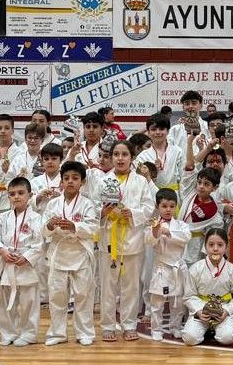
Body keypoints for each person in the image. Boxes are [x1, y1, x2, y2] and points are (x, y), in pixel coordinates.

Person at [91, 142, 153, 342]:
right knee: (107, 287)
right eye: (116, 154)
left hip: (133, 240)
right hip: (109, 240)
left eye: (124, 154)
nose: (120, 158)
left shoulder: (141, 182)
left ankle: (129, 325)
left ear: (131, 158)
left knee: (131, 287)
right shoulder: (102, 181)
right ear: (111, 157)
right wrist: (102, 212)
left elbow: (149, 206)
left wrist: (132, 213)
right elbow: (91, 208)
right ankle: (108, 325)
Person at [44, 161, 100, 346]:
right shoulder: (53, 204)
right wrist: (50, 226)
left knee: (83, 295)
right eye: (66, 178)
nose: (70, 182)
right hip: (58, 253)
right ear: (61, 181)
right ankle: (57, 334)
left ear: (82, 182)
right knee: (57, 295)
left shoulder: (88, 204)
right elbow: (42, 229)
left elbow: (93, 228)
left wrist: (75, 226)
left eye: (75, 178)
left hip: (80, 253)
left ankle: (85, 333)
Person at [0, 177, 45, 347]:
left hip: (26, 262)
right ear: (8, 197)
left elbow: (40, 242)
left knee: (29, 300)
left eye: (21, 193)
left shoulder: (37, 218)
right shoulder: (2, 218)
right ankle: (7, 332)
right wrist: (2, 250)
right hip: (7, 261)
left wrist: (27, 257)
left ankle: (29, 333)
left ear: (29, 194)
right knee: (5, 301)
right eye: (12, 194)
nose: (16, 197)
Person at [180, 228, 233, 346]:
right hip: (201, 311)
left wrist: (227, 311)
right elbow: (189, 296)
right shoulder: (196, 268)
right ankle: (206, 329)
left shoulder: (232, 270)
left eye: (220, 245)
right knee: (189, 338)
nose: (215, 249)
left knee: (228, 338)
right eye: (211, 245)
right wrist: (199, 311)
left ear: (226, 247)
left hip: (222, 311)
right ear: (205, 247)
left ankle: (214, 329)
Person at [145, 188, 191, 341]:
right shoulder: (153, 225)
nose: (168, 209)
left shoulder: (181, 225)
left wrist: (170, 233)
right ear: (158, 207)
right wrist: (156, 230)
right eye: (164, 206)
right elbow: (149, 241)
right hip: (162, 268)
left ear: (176, 206)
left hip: (177, 268)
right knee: (157, 302)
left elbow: (186, 237)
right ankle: (156, 329)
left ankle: (175, 327)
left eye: (172, 206)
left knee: (177, 302)